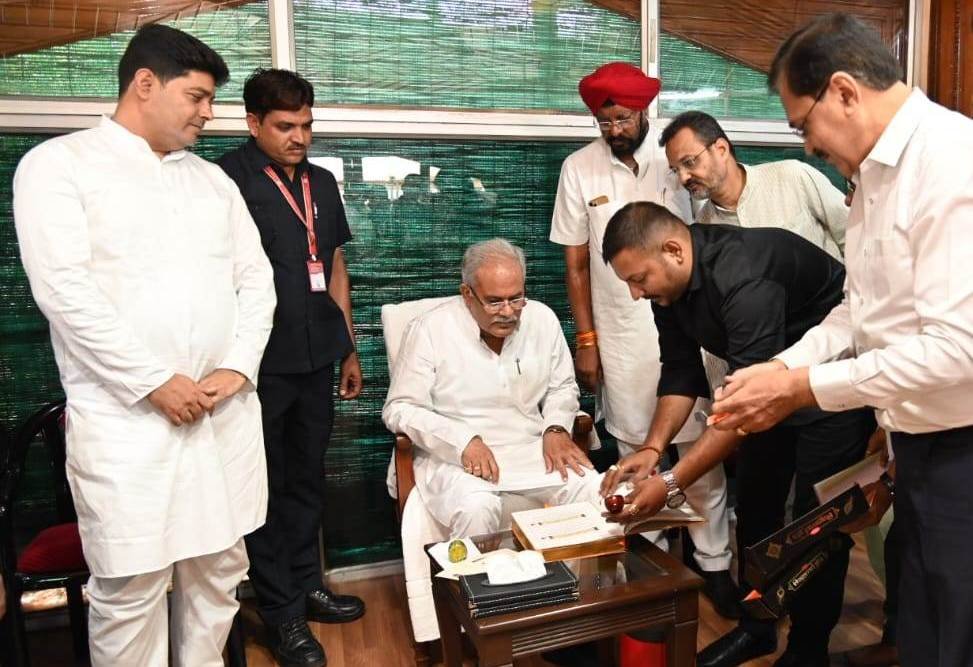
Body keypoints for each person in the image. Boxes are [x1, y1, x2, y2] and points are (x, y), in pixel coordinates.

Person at [708, 13, 973, 667]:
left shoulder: (949, 162)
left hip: (963, 449)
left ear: (844, 92)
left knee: (958, 634)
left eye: (803, 125)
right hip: (914, 439)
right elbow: (857, 310)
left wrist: (804, 388)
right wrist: (780, 366)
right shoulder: (872, 178)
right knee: (921, 627)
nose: (805, 146)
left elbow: (958, 348)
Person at [12, 25, 276, 666]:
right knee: (131, 588)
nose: (208, 113)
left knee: (219, 573)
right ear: (145, 83)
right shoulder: (58, 166)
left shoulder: (212, 182)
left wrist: (238, 367)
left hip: (221, 414)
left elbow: (257, 281)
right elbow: (64, 291)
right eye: (197, 97)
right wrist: (153, 380)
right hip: (128, 423)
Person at [600, 202, 875, 667]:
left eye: (639, 279)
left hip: (830, 392)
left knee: (816, 526)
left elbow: (746, 409)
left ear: (673, 251)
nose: (634, 293)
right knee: (755, 510)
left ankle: (808, 650)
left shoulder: (743, 276)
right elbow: (681, 371)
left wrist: (671, 482)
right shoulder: (666, 291)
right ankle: (757, 629)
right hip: (766, 388)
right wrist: (652, 449)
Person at [550, 62, 737, 617]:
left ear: (643, 113)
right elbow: (576, 264)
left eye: (623, 119)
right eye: (604, 121)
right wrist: (587, 338)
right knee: (636, 450)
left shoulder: (674, 160)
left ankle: (715, 566)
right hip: (622, 333)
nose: (614, 130)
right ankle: (649, 569)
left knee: (702, 449)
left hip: (689, 323)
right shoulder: (578, 168)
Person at [217, 69, 364, 667]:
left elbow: (333, 265)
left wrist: (348, 347)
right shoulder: (227, 180)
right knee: (266, 486)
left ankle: (307, 586)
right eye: (285, 126)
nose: (299, 137)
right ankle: (280, 614)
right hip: (258, 366)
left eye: (306, 125)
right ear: (253, 123)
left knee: (306, 478)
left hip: (317, 354)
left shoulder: (322, 182)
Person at [383, 239, 603, 538]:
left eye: (516, 298)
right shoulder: (430, 329)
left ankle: (578, 572)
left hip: (531, 448)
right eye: (495, 301)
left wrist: (555, 428)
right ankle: (476, 573)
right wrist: (462, 440)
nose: (508, 311)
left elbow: (562, 387)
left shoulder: (542, 318)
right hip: (454, 458)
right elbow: (400, 408)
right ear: (467, 294)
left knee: (592, 490)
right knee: (477, 508)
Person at [659, 110, 846, 258]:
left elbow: (853, 233)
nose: (683, 178)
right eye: (675, 170)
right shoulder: (704, 231)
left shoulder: (792, 177)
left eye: (689, 162)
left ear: (721, 149)